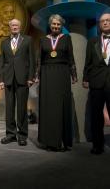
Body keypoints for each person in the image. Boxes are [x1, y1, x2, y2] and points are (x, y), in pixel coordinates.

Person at [37, 14, 77, 151]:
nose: (56, 26)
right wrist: (37, 76)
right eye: (54, 24)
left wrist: (74, 75)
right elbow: (39, 60)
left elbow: (71, 57)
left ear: (61, 26)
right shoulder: (43, 39)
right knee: (49, 107)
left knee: (61, 107)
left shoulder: (67, 38)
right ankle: (49, 141)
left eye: (58, 24)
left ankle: (62, 140)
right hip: (47, 74)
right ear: (50, 25)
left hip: (62, 73)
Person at [0, 19, 35, 146]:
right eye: (13, 25)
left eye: (17, 25)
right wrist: (1, 80)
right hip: (8, 78)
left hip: (23, 78)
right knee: (9, 108)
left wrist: (31, 77)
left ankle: (22, 135)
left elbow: (32, 60)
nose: (15, 27)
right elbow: (2, 63)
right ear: (10, 27)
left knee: (21, 108)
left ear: (20, 27)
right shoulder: (4, 43)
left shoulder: (28, 40)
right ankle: (10, 134)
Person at [83, 11, 110, 154]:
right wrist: (85, 78)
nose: (105, 23)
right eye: (102, 21)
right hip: (96, 83)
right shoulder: (92, 41)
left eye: (107, 20)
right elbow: (88, 62)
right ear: (99, 25)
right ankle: (97, 145)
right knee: (96, 116)